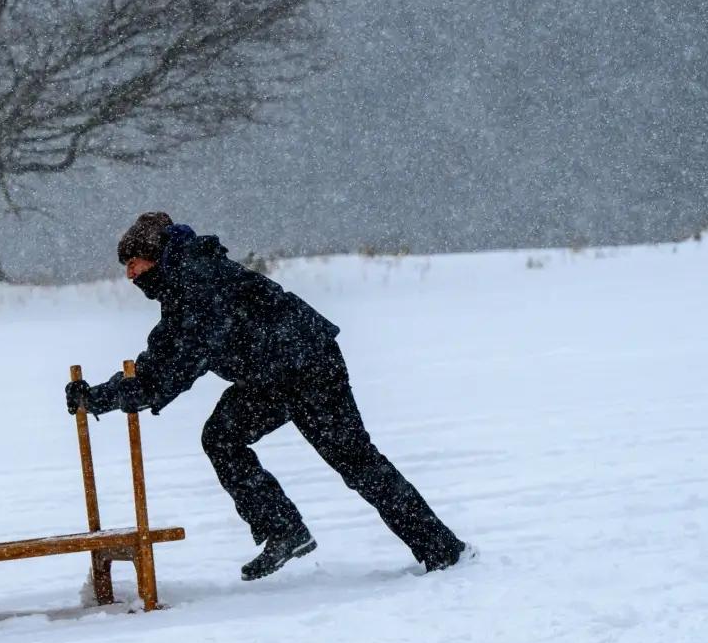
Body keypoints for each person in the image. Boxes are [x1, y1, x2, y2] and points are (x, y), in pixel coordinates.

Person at [67, 212, 469, 580]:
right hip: (271, 375)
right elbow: (165, 361)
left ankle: (442, 550)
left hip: (309, 366)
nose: (130, 275)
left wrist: (100, 398)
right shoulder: (186, 280)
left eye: (133, 264)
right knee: (222, 437)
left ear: (154, 256)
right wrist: (105, 395)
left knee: (356, 462)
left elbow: (164, 373)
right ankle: (284, 530)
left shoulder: (197, 285)